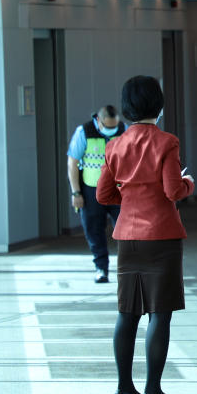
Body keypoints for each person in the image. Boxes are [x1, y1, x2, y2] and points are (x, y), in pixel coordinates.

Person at [96, 76, 194, 394]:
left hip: (127, 238)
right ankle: (152, 391)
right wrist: (188, 183)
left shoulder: (115, 145)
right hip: (161, 237)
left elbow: (103, 194)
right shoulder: (166, 142)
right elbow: (173, 191)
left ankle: (125, 389)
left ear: (126, 108)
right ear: (159, 105)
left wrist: (131, 196)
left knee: (127, 314)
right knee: (159, 315)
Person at [67, 105, 126, 282]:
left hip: (118, 189)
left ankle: (127, 267)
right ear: (99, 121)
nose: (112, 129)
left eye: (114, 125)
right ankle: (101, 268)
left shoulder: (124, 130)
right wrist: (76, 193)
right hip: (91, 189)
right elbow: (73, 163)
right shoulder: (84, 132)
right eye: (108, 127)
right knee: (93, 229)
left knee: (126, 230)